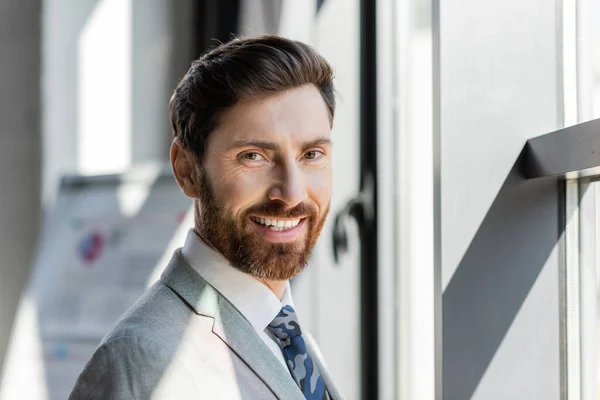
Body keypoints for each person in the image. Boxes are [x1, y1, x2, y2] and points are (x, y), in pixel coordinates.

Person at [69, 35, 342, 400]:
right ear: (187, 170)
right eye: (253, 156)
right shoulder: (144, 360)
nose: (292, 194)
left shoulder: (286, 333)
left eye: (311, 154)